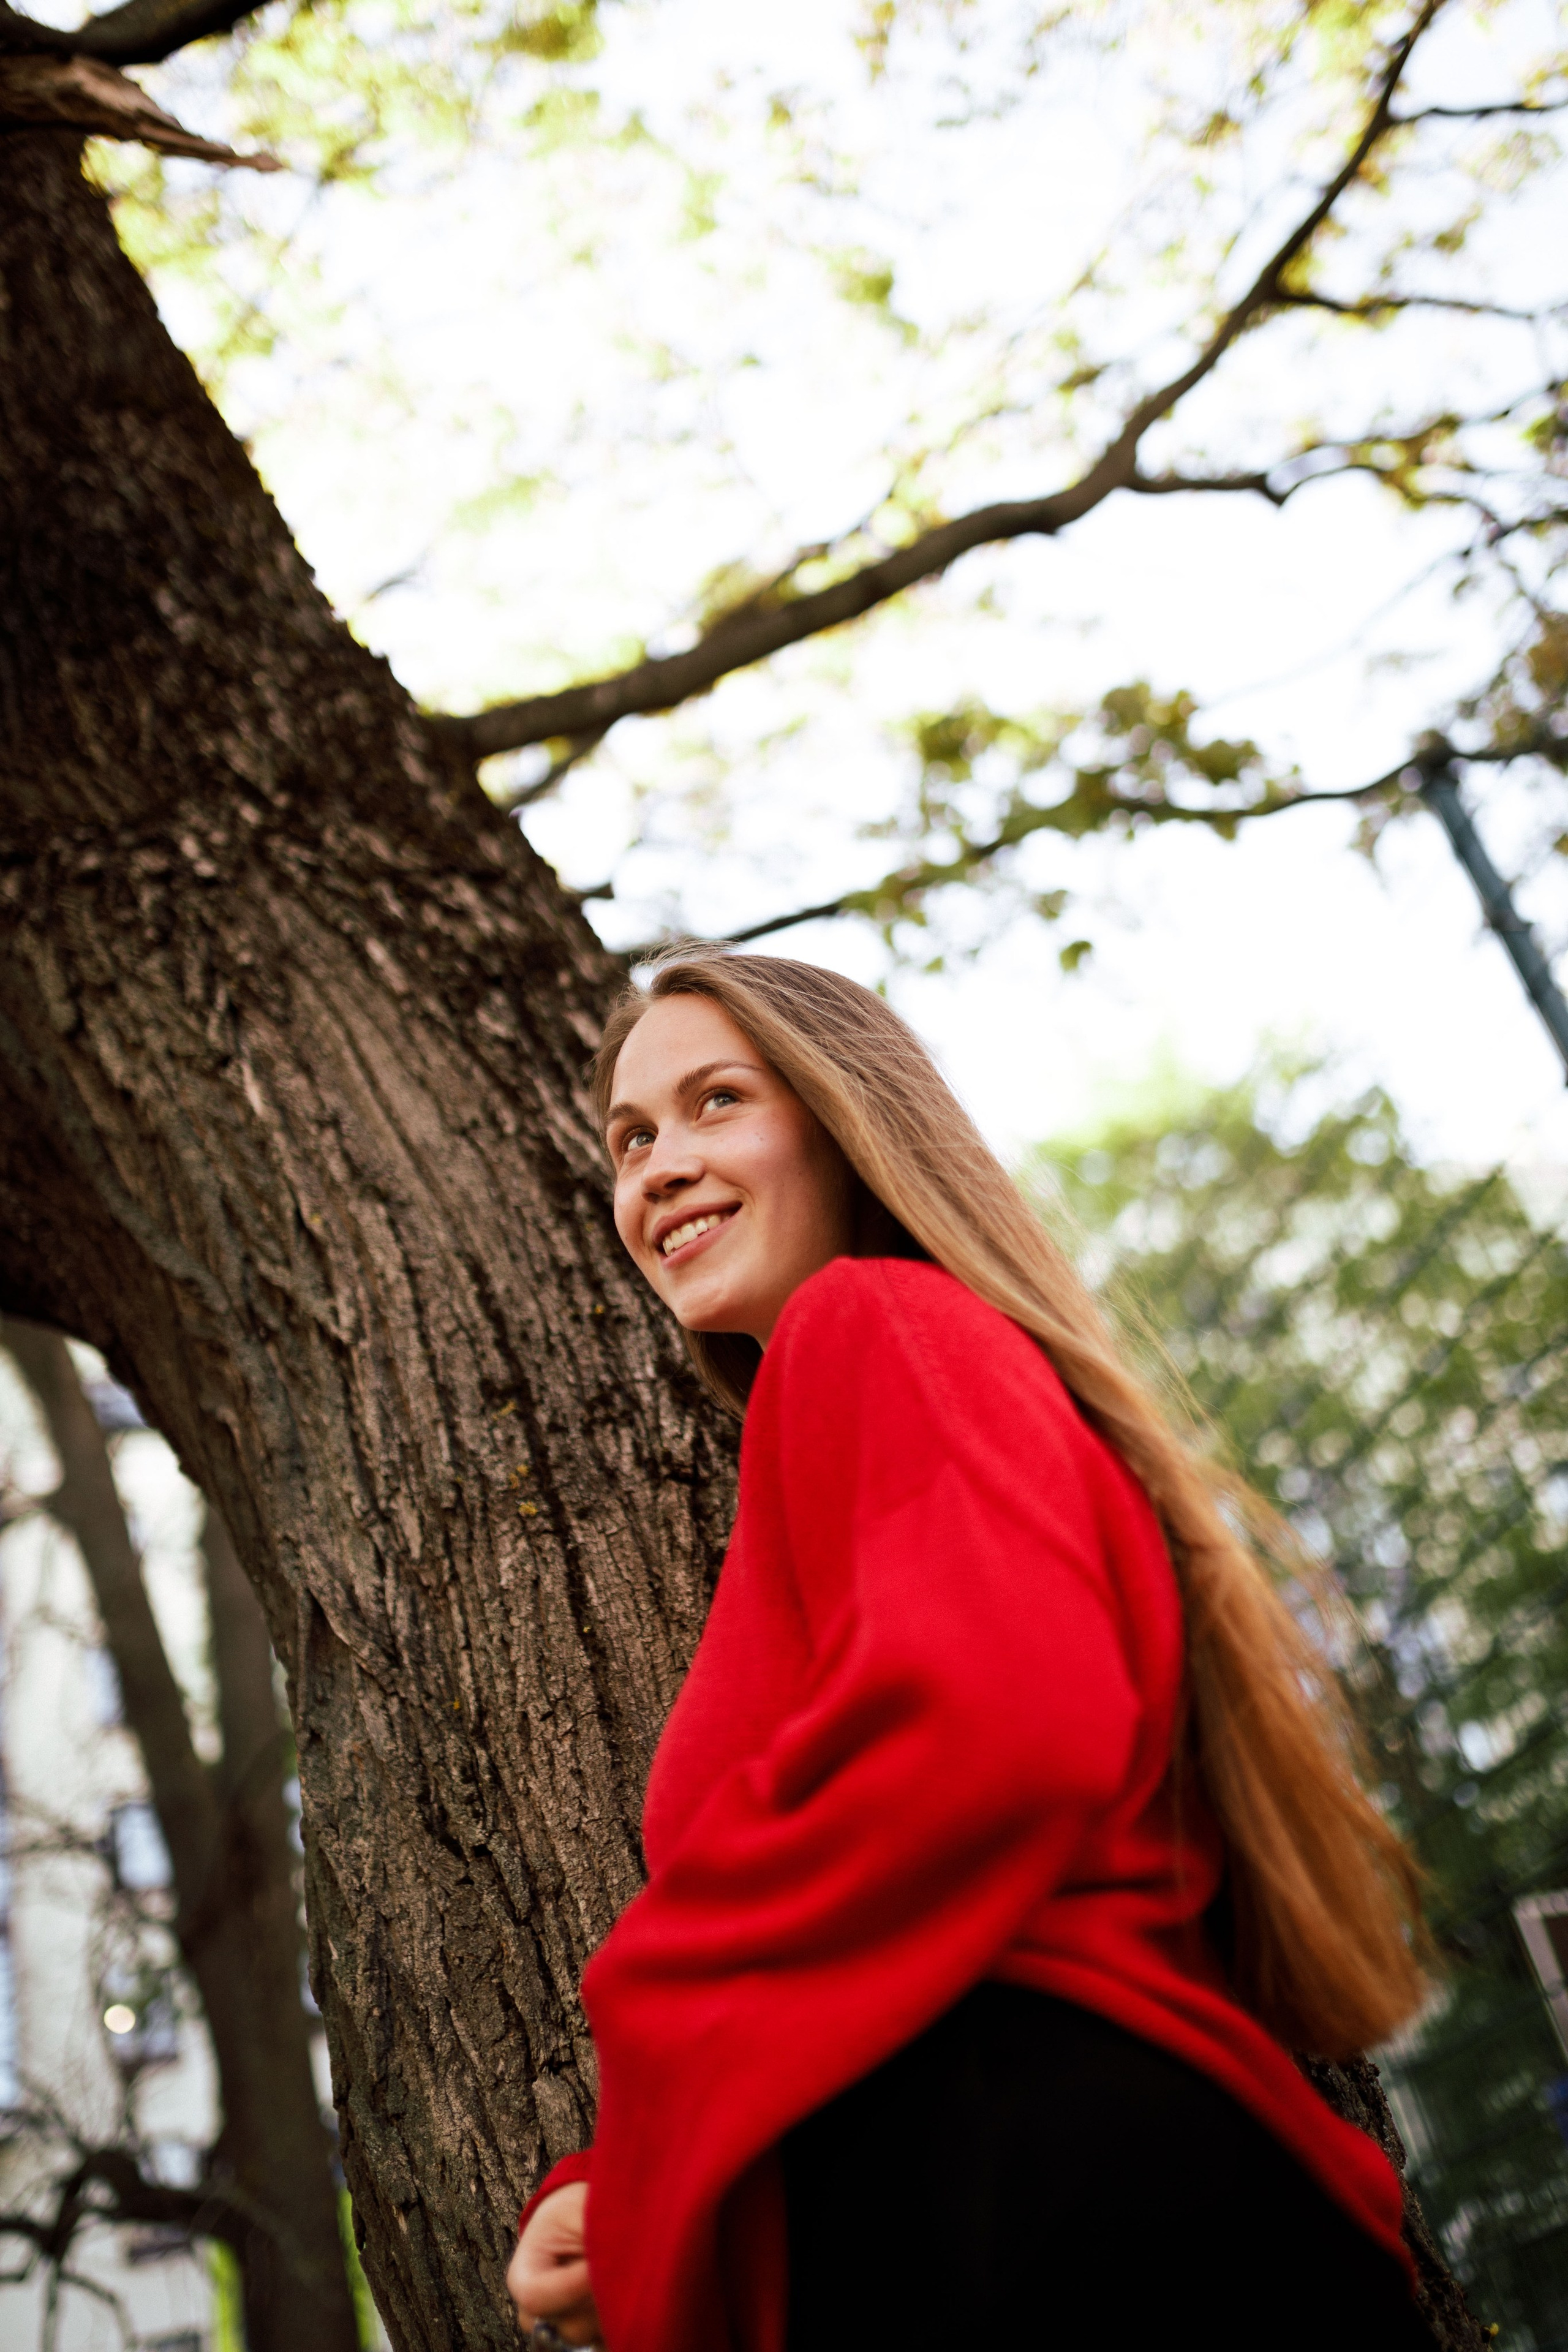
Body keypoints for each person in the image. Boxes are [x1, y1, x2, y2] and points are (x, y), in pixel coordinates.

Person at [507, 947, 1434, 2352]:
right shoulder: (876, 1396)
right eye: (631, 1139)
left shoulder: (870, 1320)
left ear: (841, 1117)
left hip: (1044, 2199)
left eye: (715, 1102)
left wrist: (651, 2019)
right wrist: (627, 2184)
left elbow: (996, 1722)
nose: (657, 1168)